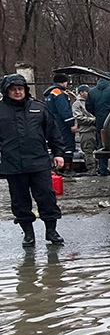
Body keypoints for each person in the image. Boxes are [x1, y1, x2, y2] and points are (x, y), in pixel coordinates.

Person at [0, 74, 67, 246]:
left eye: (20, 89)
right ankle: (28, 234)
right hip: (13, 165)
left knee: (47, 197)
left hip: (39, 163)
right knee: (20, 201)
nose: (17, 92)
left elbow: (53, 132)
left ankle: (51, 231)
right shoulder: (1, 110)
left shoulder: (39, 108)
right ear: (6, 91)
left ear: (25, 90)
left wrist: (59, 153)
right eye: (13, 89)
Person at [43, 71, 76, 154]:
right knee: (67, 147)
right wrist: (71, 124)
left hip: (52, 123)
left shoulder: (50, 93)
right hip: (62, 124)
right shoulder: (60, 93)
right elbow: (64, 111)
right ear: (64, 82)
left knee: (57, 146)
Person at [71, 84, 98, 173]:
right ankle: (91, 169)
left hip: (95, 130)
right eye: (85, 91)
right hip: (86, 131)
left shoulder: (93, 101)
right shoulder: (77, 104)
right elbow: (79, 118)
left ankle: (99, 168)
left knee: (98, 151)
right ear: (81, 93)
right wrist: (93, 120)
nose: (87, 93)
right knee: (88, 151)